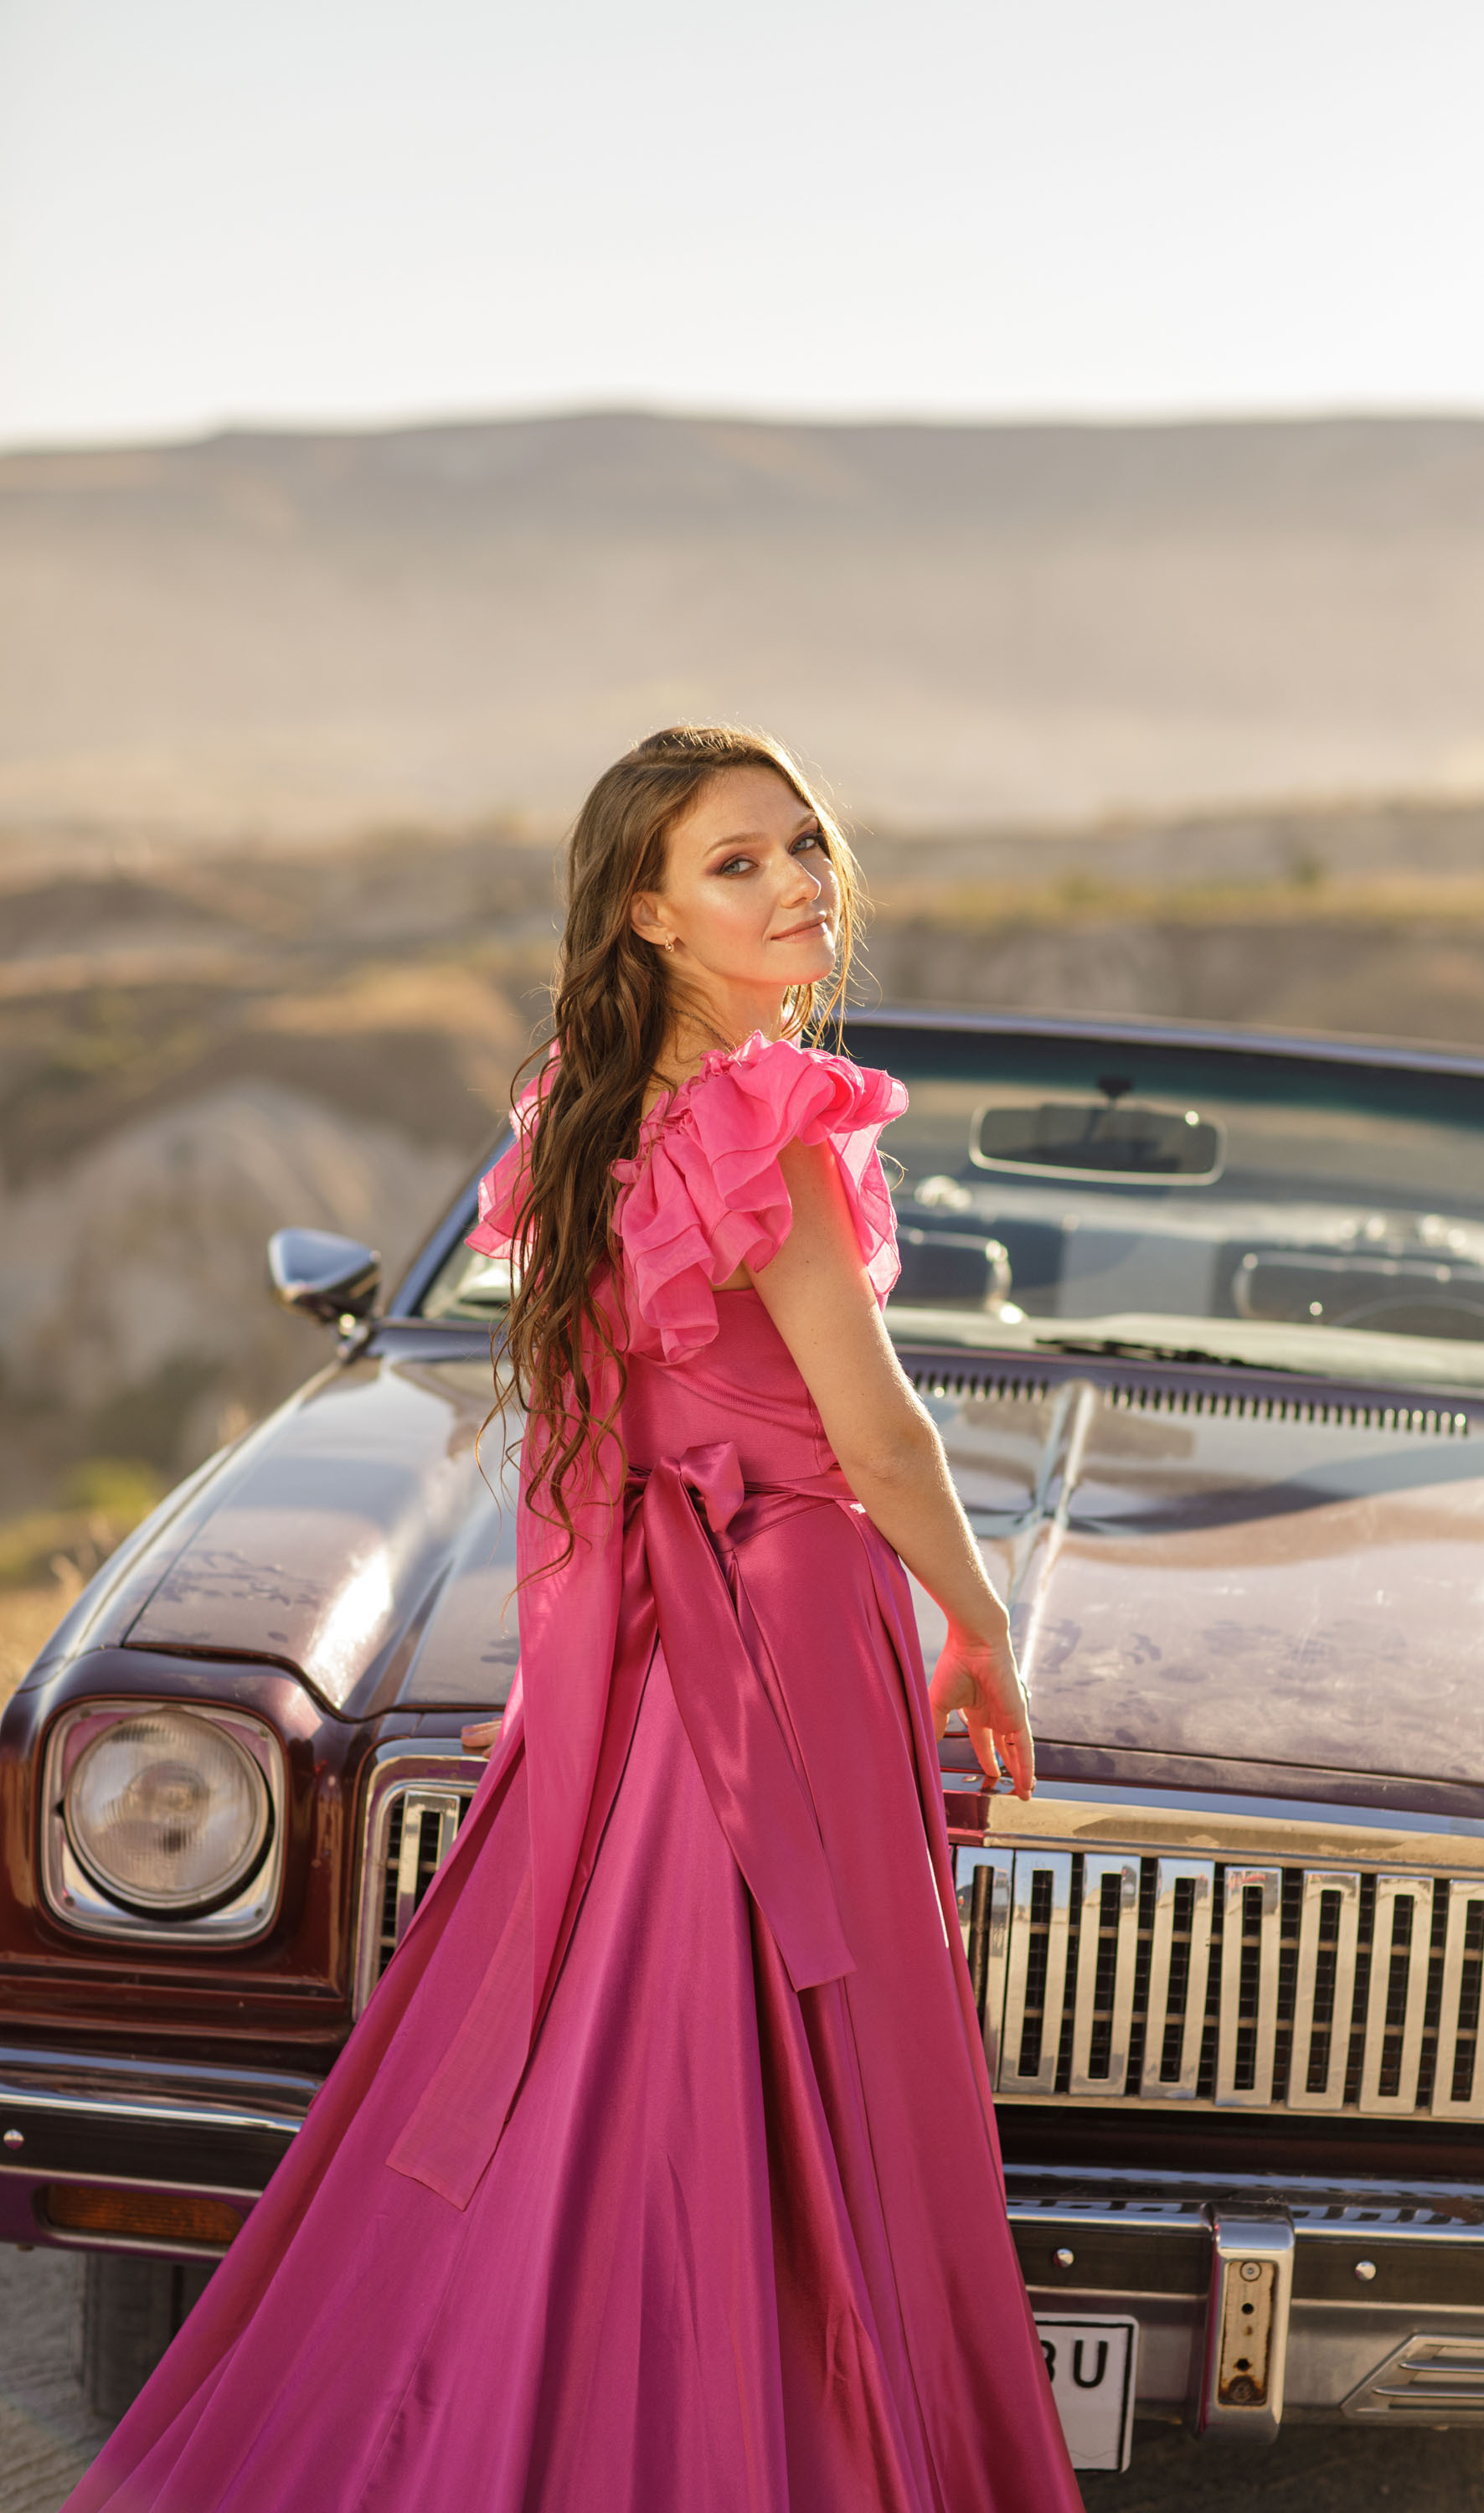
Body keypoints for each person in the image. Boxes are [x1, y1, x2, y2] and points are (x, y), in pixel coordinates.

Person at [64, 725, 1085, 2511]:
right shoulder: (770, 1126)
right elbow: (879, 1438)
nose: (797, 884)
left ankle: (604, 2399)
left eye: (803, 845)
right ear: (649, 914)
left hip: (658, 1652)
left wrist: (574, 1685)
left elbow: (581, 1452)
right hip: (789, 1628)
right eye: (737, 863)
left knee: (634, 2039)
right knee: (785, 2044)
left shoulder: (584, 1126)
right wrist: (983, 1618)